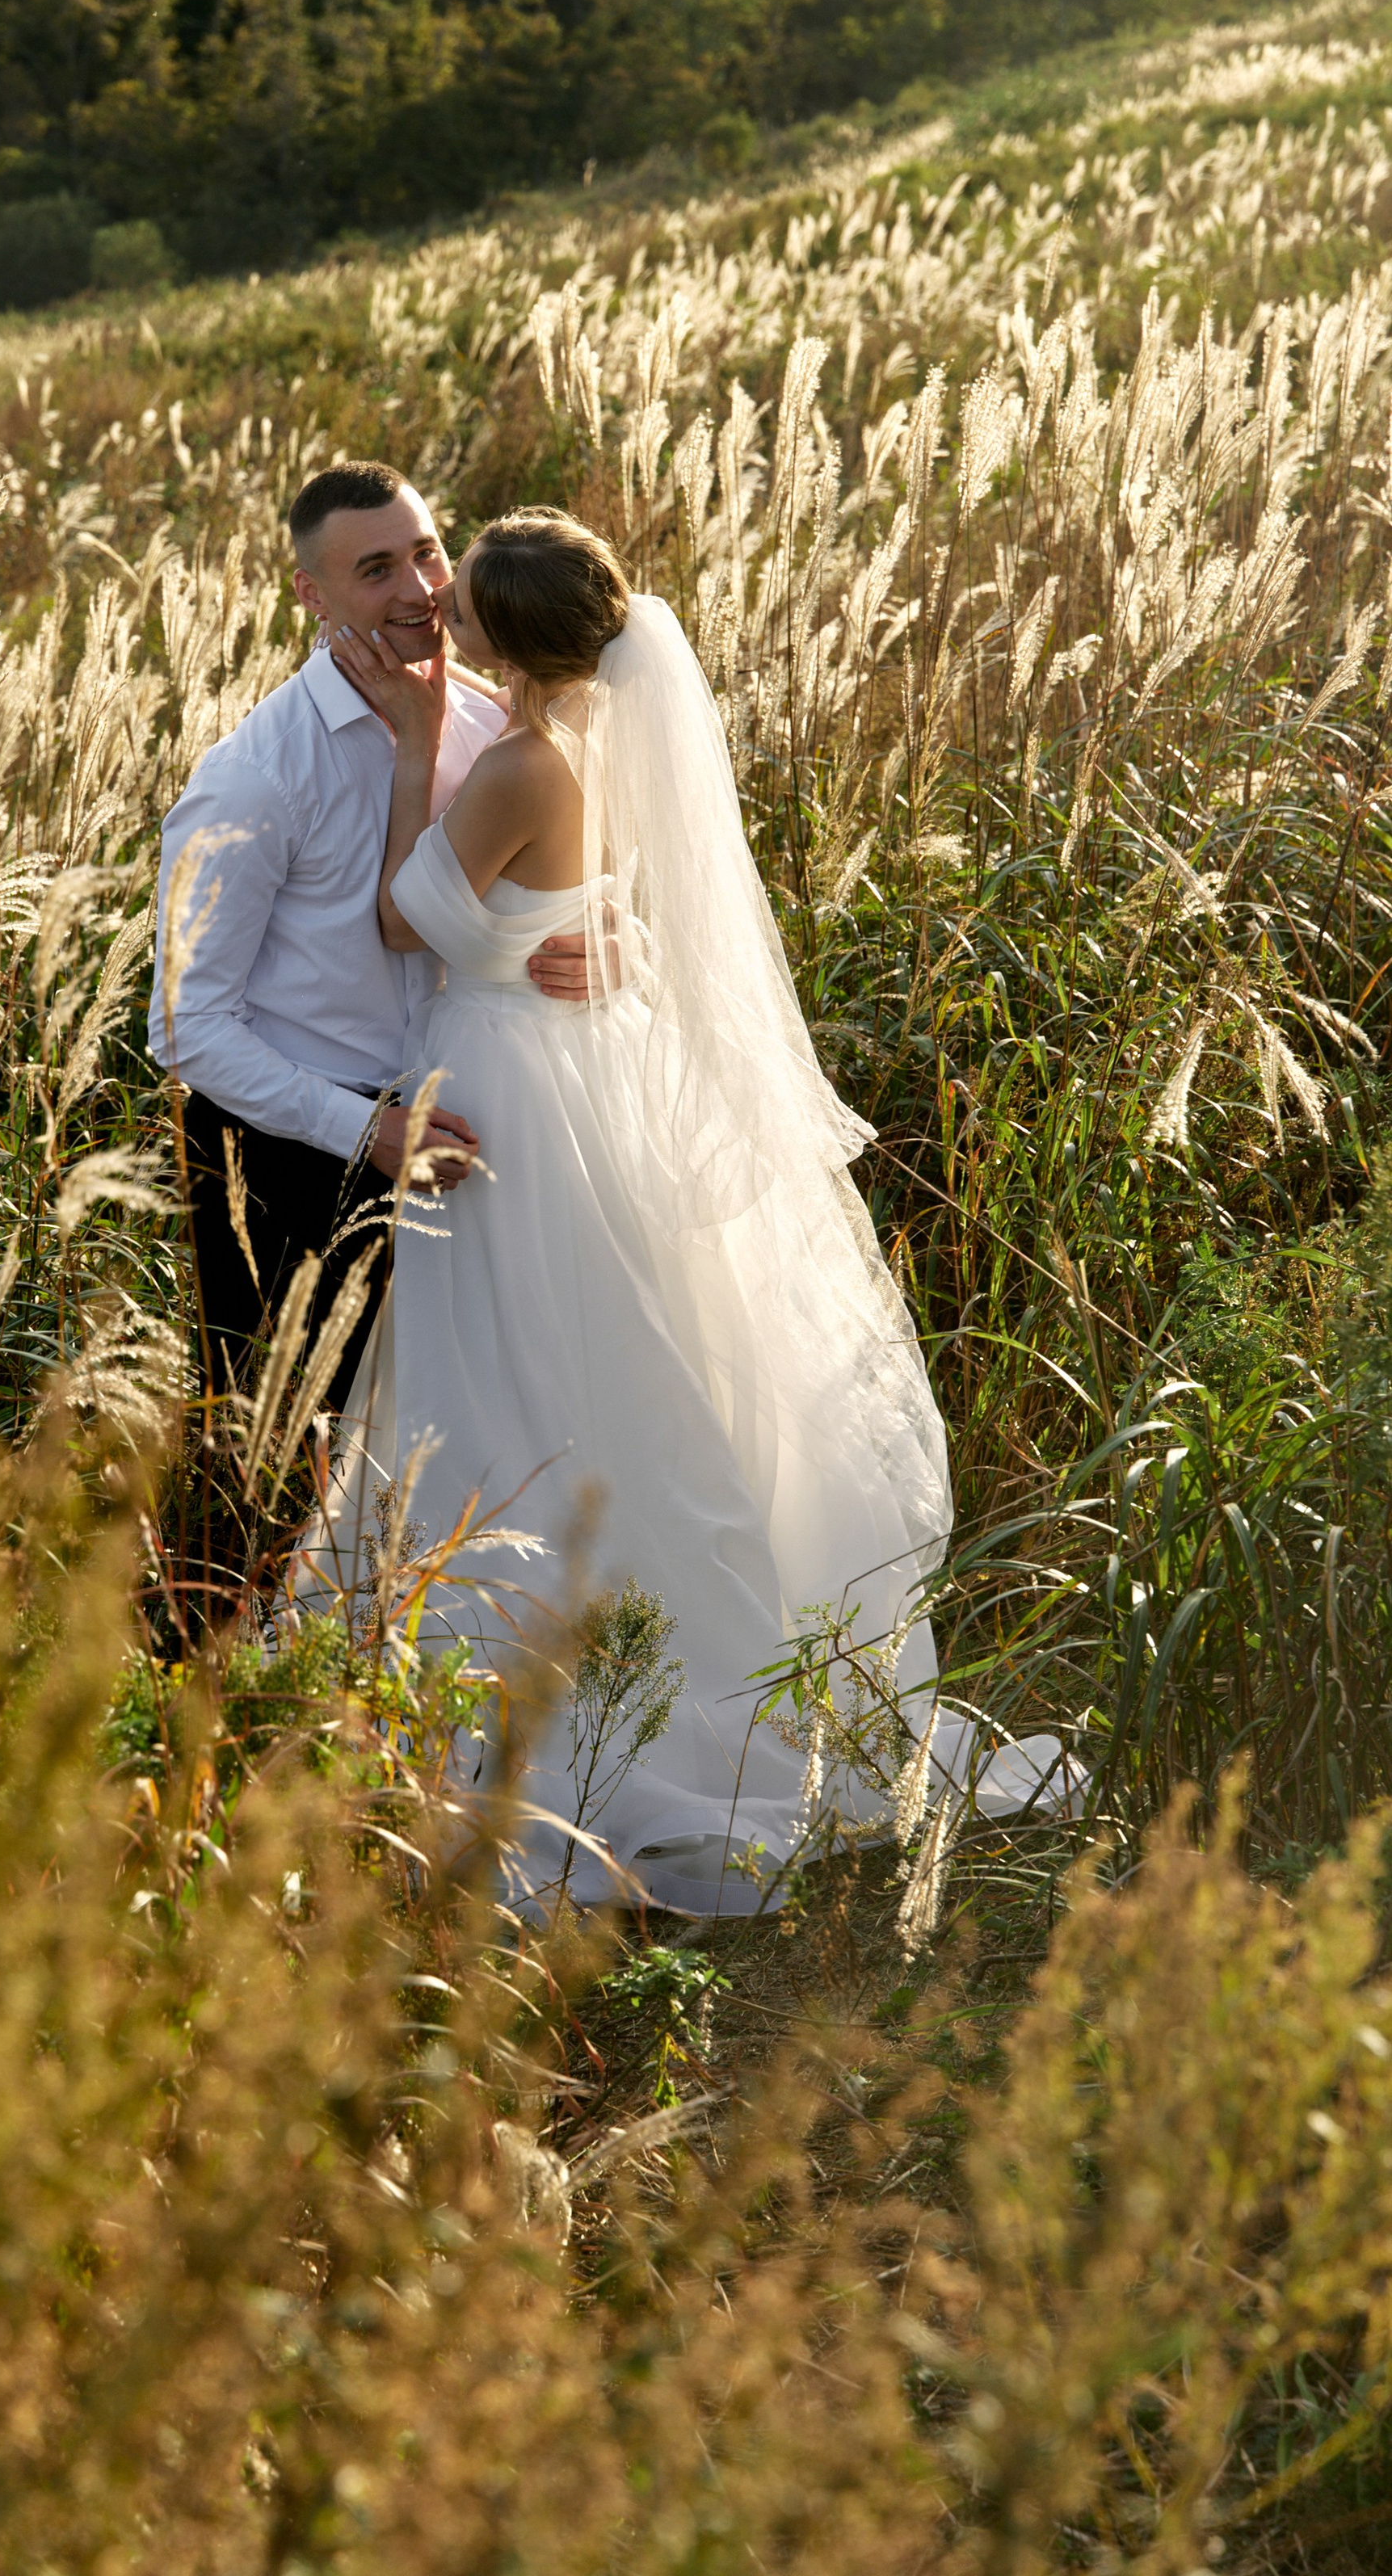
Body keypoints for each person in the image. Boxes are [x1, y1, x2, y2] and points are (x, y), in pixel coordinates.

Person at [313, 509, 1071, 1914]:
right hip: (580, 1074)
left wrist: (420, 748)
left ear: (509, 637)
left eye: (464, 599)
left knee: (515, 1372)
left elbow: (408, 921)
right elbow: (594, 901)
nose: (445, 615)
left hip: (514, 1101)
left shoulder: (520, 761)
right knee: (606, 1361)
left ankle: (561, 1692)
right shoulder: (594, 738)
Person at [148, 464, 590, 1603]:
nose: (421, 588)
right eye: (377, 568)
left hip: (475, 1141)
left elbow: (570, 874)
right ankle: (216, 1723)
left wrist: (610, 940)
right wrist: (364, 1132)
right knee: (274, 1472)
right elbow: (189, 1029)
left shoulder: (494, 725)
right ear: (312, 592)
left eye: (430, 552)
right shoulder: (255, 774)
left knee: (464, 1461)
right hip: (294, 1159)